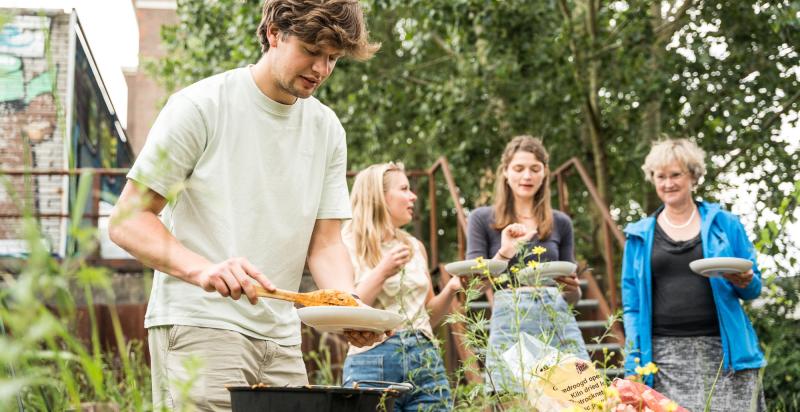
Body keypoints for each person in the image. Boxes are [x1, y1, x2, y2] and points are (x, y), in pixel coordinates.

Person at [108, 1, 382, 410]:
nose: (321, 69)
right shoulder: (201, 105)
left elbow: (326, 243)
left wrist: (346, 308)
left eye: (333, 58)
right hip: (201, 324)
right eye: (311, 51)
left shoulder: (327, 129)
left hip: (282, 338)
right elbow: (127, 221)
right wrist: (203, 269)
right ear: (274, 33)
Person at [621, 138, 766, 411]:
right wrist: (633, 362)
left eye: (676, 175)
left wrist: (746, 280)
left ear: (693, 176)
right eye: (660, 176)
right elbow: (632, 307)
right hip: (663, 358)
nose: (668, 183)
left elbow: (753, 289)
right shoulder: (638, 236)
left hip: (725, 353)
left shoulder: (726, 224)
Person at [466, 135, 589, 394]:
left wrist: (572, 288)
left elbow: (572, 297)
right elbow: (472, 288)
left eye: (535, 169)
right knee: (513, 401)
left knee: (582, 397)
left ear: (544, 173)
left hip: (556, 317)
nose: (527, 176)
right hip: (509, 318)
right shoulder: (481, 219)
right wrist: (504, 253)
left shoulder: (561, 222)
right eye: (519, 168)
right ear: (505, 172)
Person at [340, 162, 461, 412]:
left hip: (425, 359)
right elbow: (346, 311)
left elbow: (428, 315)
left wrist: (451, 288)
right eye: (404, 189)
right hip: (372, 361)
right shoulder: (346, 243)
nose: (413, 196)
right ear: (379, 196)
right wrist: (383, 271)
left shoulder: (414, 246)